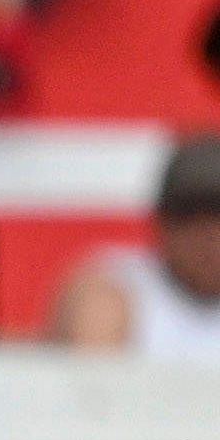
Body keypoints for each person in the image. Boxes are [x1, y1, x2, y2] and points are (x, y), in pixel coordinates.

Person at [50, 134, 220, 359]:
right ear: (160, 224)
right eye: (189, 216)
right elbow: (92, 384)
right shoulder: (119, 288)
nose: (208, 237)